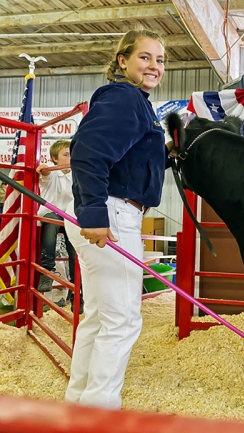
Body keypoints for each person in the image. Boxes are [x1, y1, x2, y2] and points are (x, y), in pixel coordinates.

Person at [63, 29, 171, 409]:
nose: (154, 66)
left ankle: (79, 402)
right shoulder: (126, 98)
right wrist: (93, 212)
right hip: (110, 214)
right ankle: (99, 411)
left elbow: (120, 154)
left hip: (103, 212)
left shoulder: (133, 102)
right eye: (144, 57)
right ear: (122, 60)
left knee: (98, 317)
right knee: (122, 320)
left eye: (159, 60)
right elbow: (88, 153)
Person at [35, 140, 79, 309]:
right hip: (50, 216)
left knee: (75, 247)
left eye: (71, 154)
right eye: (66, 155)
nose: (71, 157)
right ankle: (47, 271)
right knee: (52, 220)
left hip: (69, 217)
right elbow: (44, 176)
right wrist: (44, 170)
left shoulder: (76, 175)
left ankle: (78, 291)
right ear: (54, 159)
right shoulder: (51, 172)